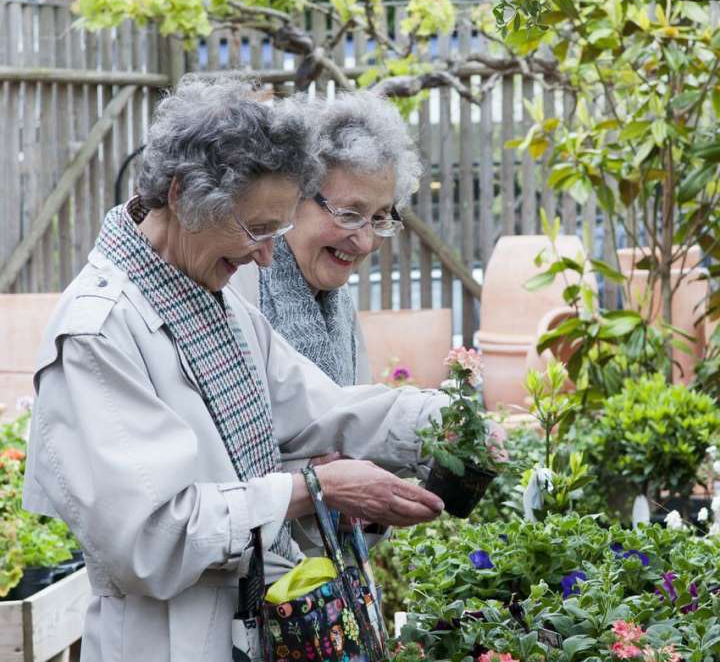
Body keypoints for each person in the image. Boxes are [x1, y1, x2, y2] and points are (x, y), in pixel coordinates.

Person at [22, 77, 447, 662]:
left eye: (278, 230)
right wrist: (312, 490)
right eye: (255, 229)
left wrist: (440, 421)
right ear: (182, 195)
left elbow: (319, 408)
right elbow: (151, 538)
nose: (268, 256)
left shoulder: (214, 301)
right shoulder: (99, 332)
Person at [232, 91, 420, 386]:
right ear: (293, 198)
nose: (366, 243)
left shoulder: (337, 306)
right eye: (348, 214)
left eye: (380, 218)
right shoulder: (238, 284)